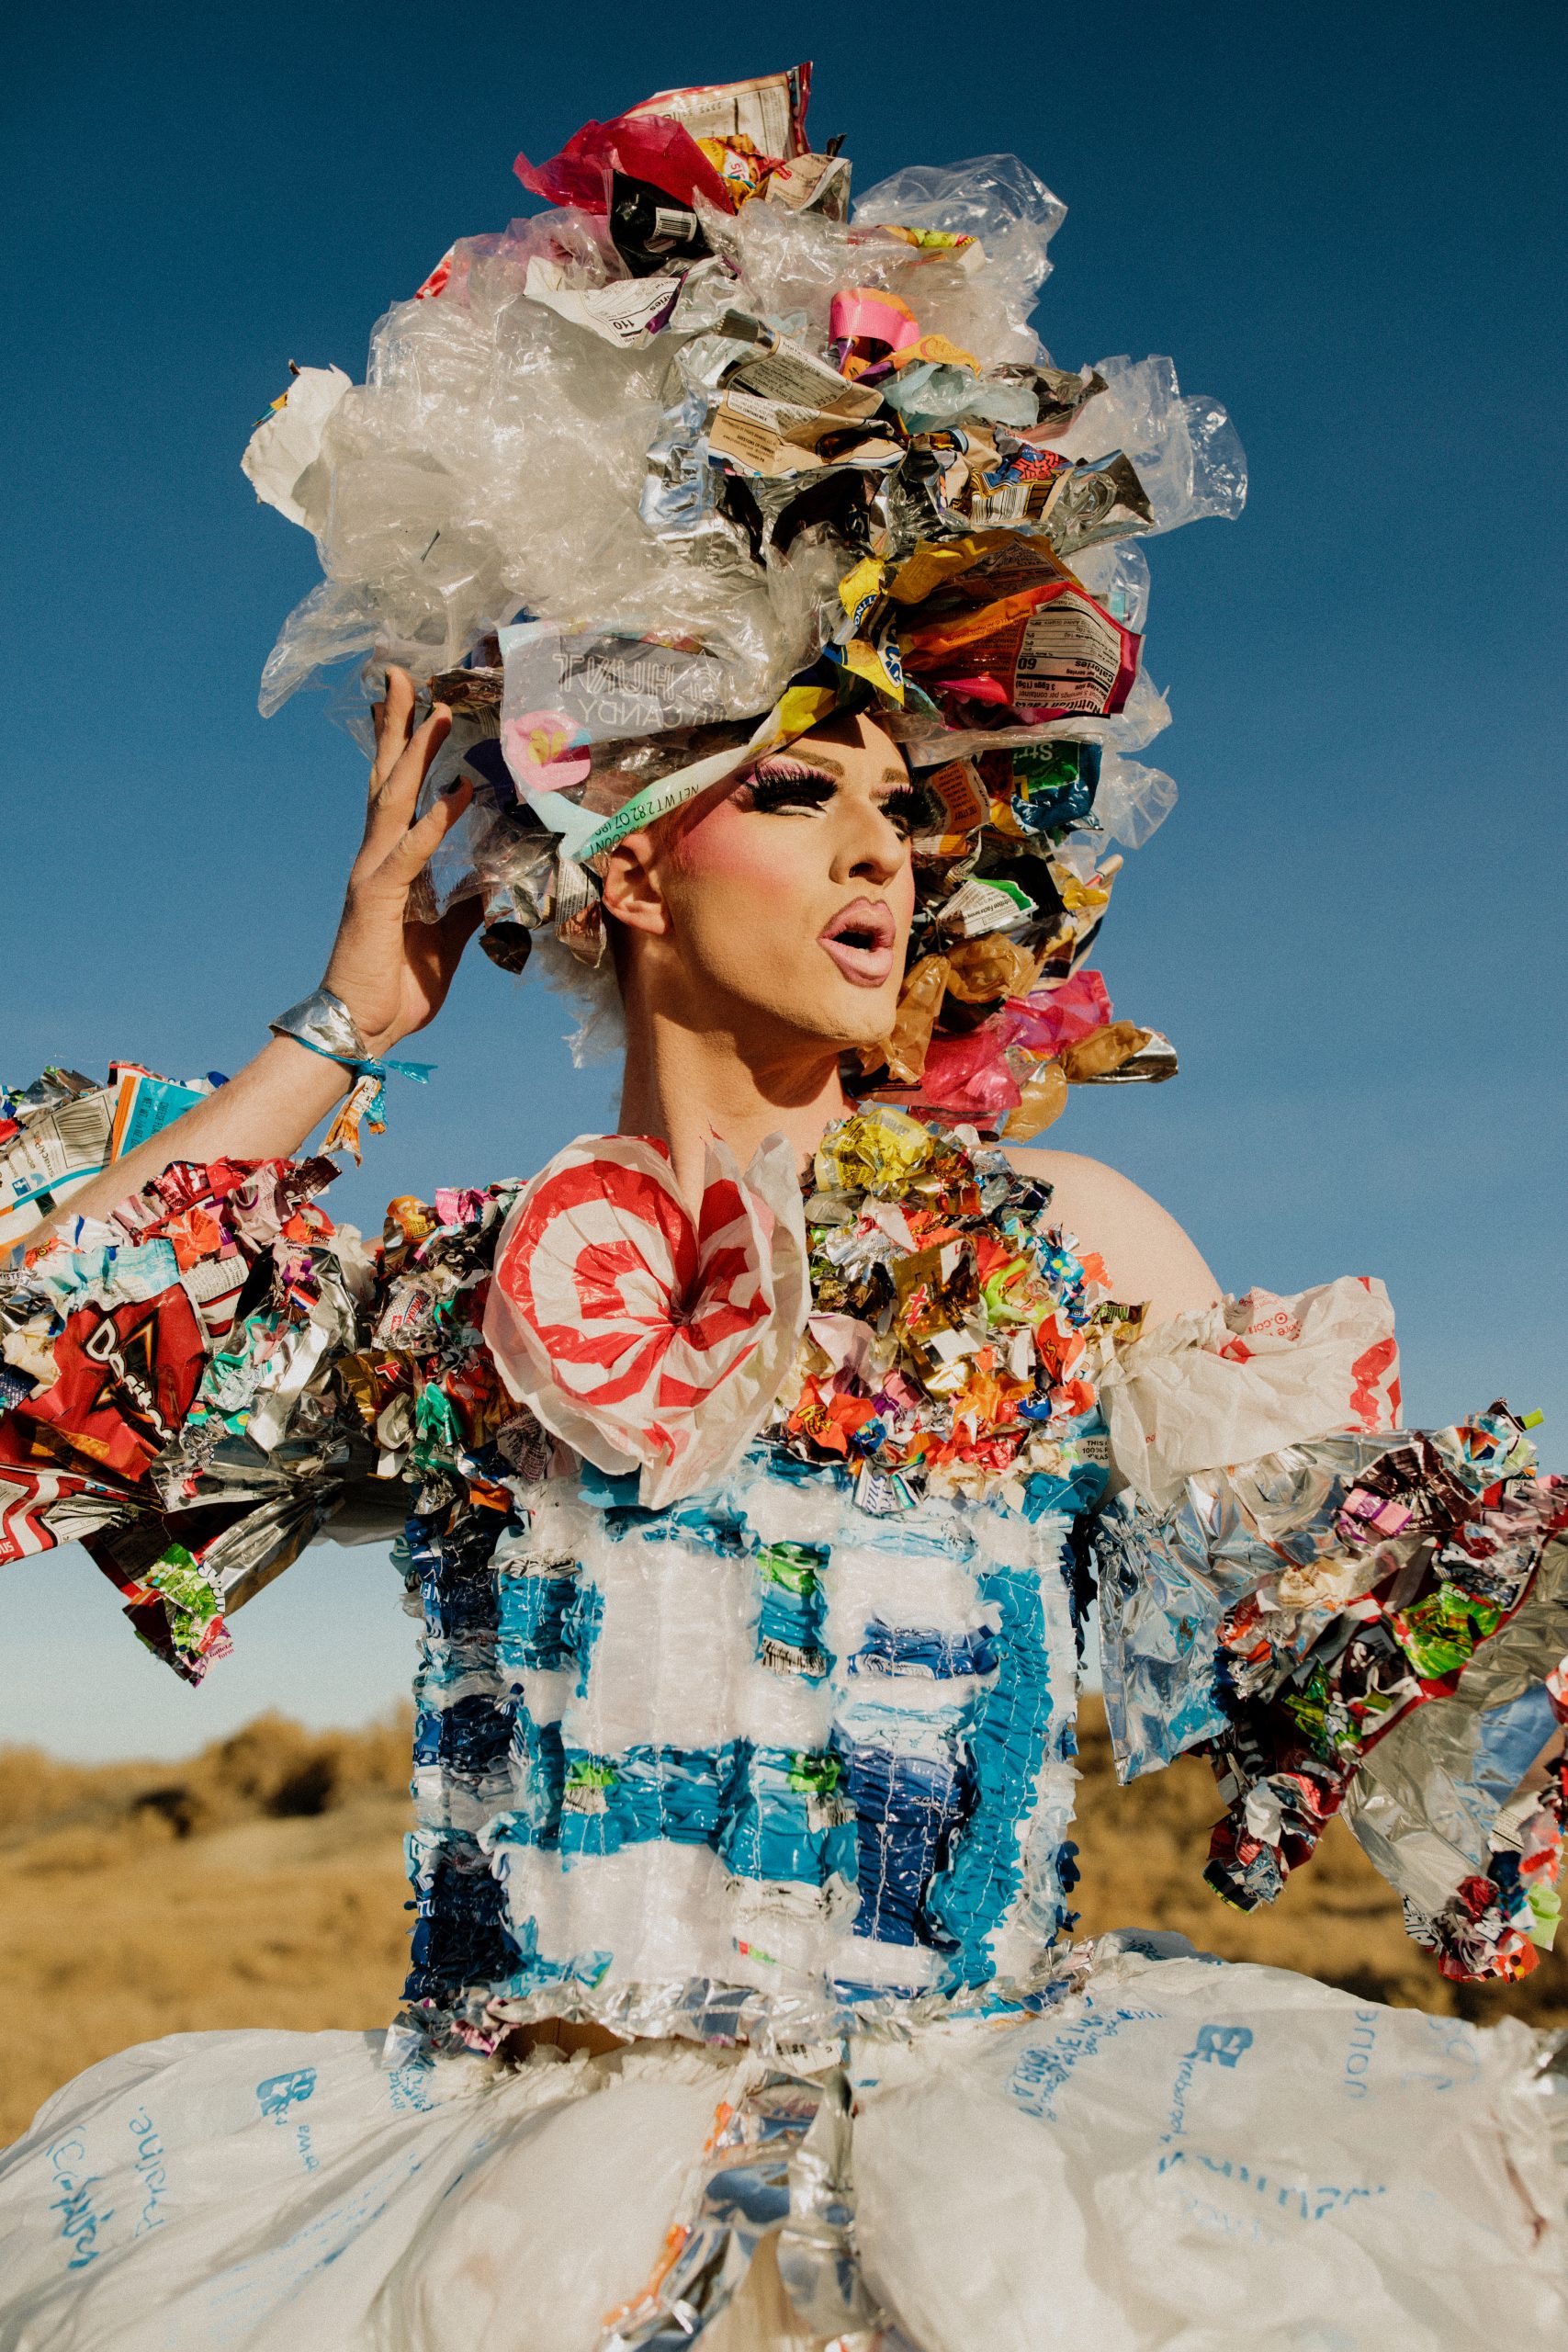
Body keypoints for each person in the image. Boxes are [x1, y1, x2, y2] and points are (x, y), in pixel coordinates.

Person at [1, 66, 1564, 2352]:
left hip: (996, 2222)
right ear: (625, 862)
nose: (879, 849)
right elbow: (47, 1341)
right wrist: (345, 1017)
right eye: (797, 786)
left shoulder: (1063, 1246)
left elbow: (1417, 1670)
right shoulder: (457, 1296)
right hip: (492, 2235)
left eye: (903, 805)